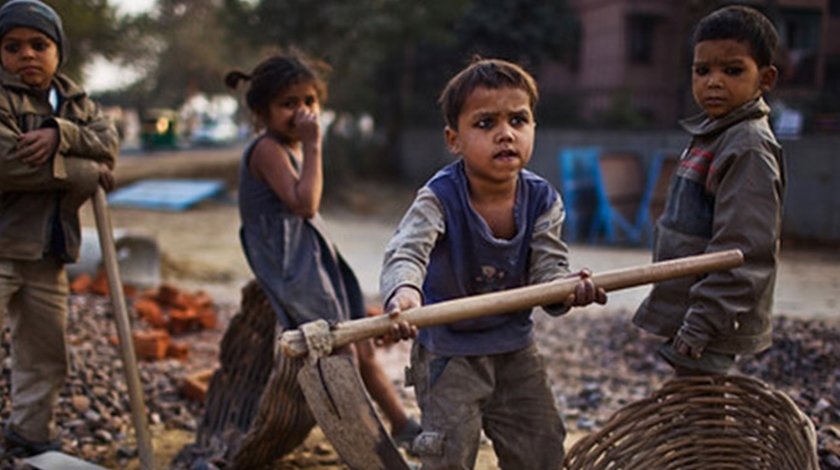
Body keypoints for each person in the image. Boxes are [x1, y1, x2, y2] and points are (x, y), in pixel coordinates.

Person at [380, 57, 607, 469]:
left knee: (540, 446)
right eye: (486, 124)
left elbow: (548, 271)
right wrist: (405, 291)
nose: (505, 134)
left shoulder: (543, 200)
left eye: (518, 120)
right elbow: (407, 251)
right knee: (447, 453)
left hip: (515, 348)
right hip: (449, 353)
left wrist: (568, 290)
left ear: (534, 127)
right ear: (454, 139)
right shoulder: (440, 198)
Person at [225, 51, 421, 455]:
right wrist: (315, 146)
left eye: (309, 102)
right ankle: (370, 443)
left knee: (361, 345)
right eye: (288, 104)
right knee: (339, 353)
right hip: (292, 267)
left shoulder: (288, 146)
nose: (302, 112)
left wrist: (309, 147)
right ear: (262, 113)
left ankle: (402, 423)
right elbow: (305, 203)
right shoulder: (267, 149)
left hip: (312, 261)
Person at [632, 5, 785, 377]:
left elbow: (742, 251)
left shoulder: (747, 147)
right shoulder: (714, 135)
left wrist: (702, 322)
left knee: (705, 414)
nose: (713, 82)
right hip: (694, 310)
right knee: (694, 409)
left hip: (714, 320)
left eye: (732, 70)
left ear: (765, 78)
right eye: (703, 71)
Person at [0, 0, 118, 458]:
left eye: (39, 45)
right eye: (12, 47)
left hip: (50, 251)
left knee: (45, 353)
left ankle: (30, 432)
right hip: (4, 245)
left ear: (58, 52)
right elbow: (8, 164)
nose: (26, 55)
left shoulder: (76, 101)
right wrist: (85, 173)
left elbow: (108, 144)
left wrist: (60, 134)